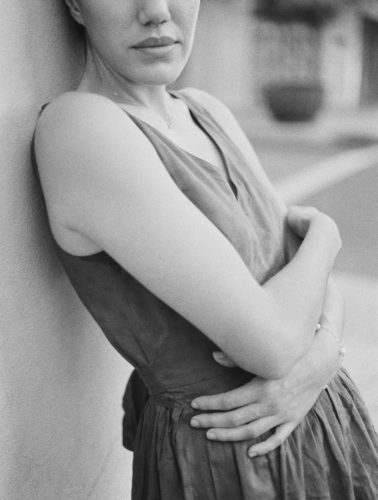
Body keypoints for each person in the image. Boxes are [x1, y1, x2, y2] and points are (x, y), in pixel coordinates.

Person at [33, 0, 378, 498]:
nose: (155, 12)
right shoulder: (80, 128)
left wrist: (323, 356)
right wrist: (328, 236)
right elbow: (275, 342)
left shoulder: (205, 110)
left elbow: (301, 279)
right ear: (75, 6)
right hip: (229, 465)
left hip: (323, 427)